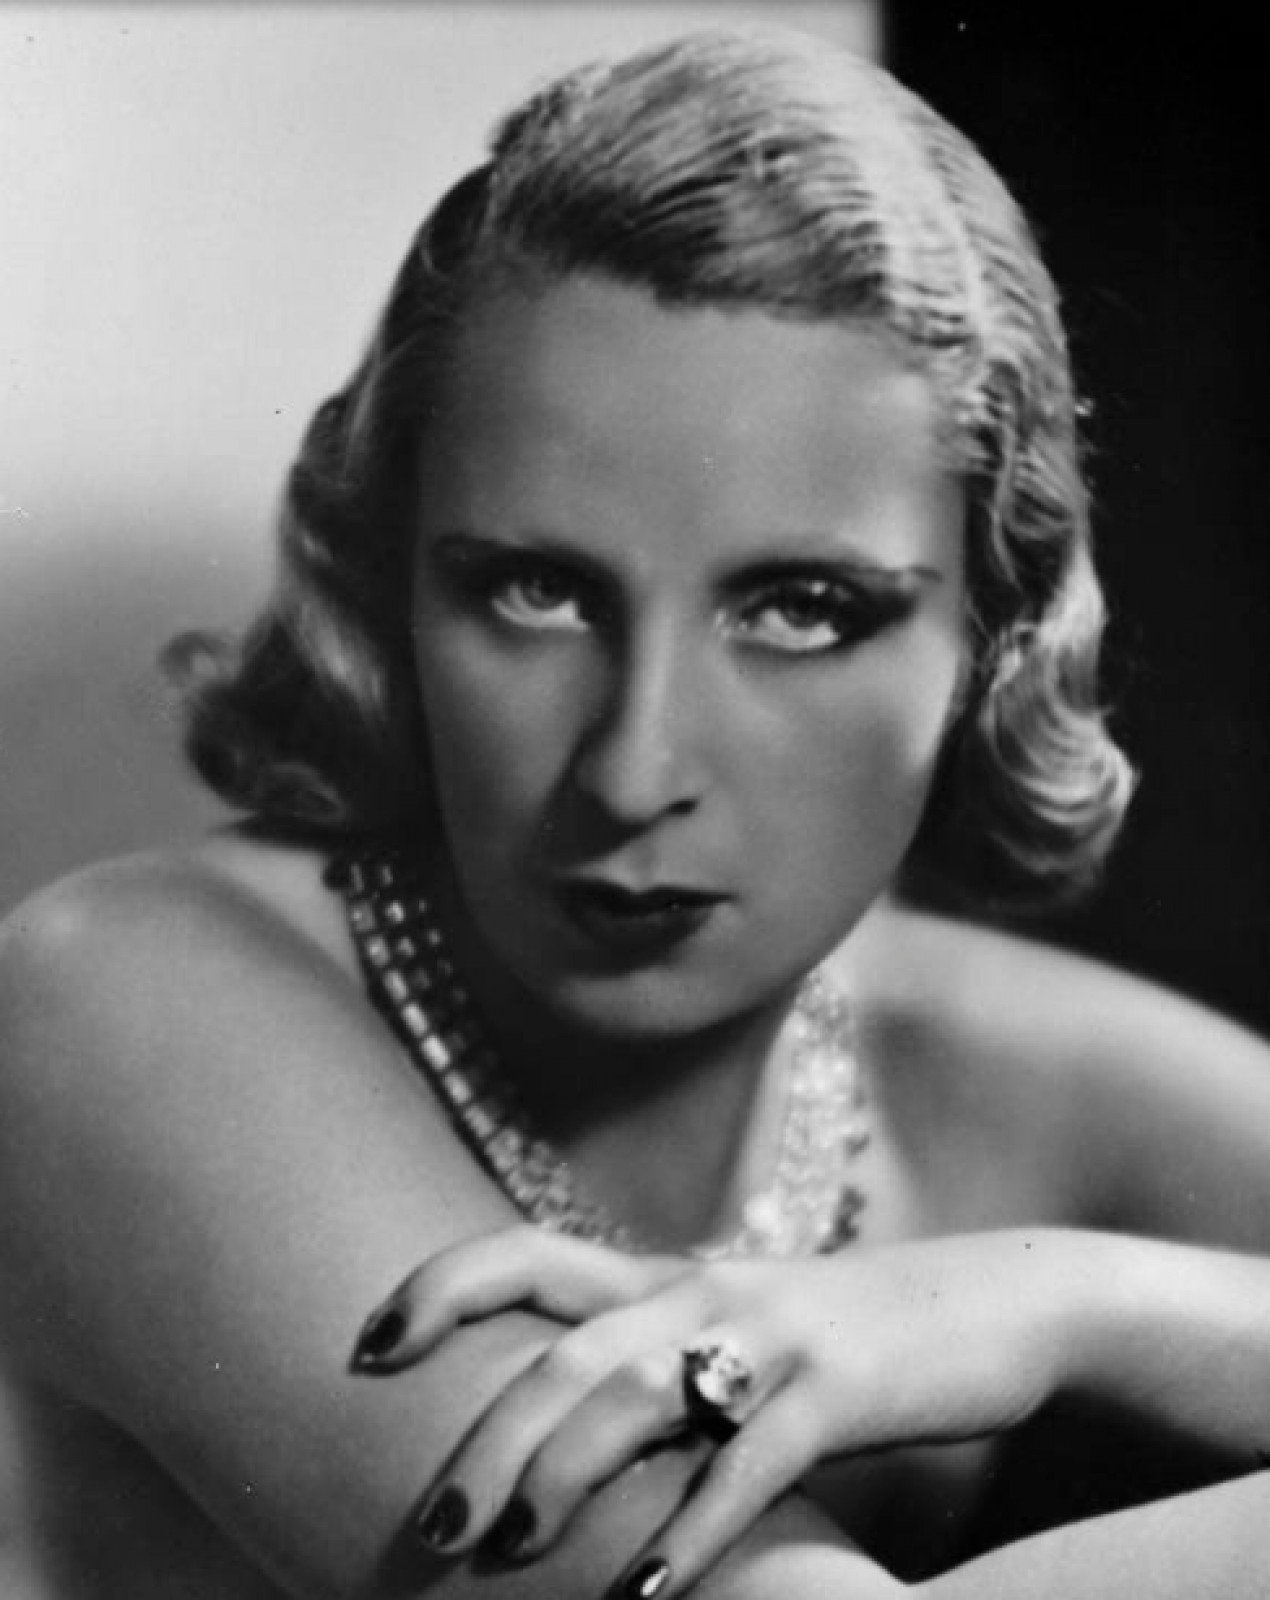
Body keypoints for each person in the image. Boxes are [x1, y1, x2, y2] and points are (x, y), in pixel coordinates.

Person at [1, 23, 1269, 1600]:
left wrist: (1058, 1308)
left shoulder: (1003, 1071)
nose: (630, 769)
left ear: (990, 640)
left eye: (799, 608)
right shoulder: (110, 1006)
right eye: (534, 591)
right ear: (394, 589)